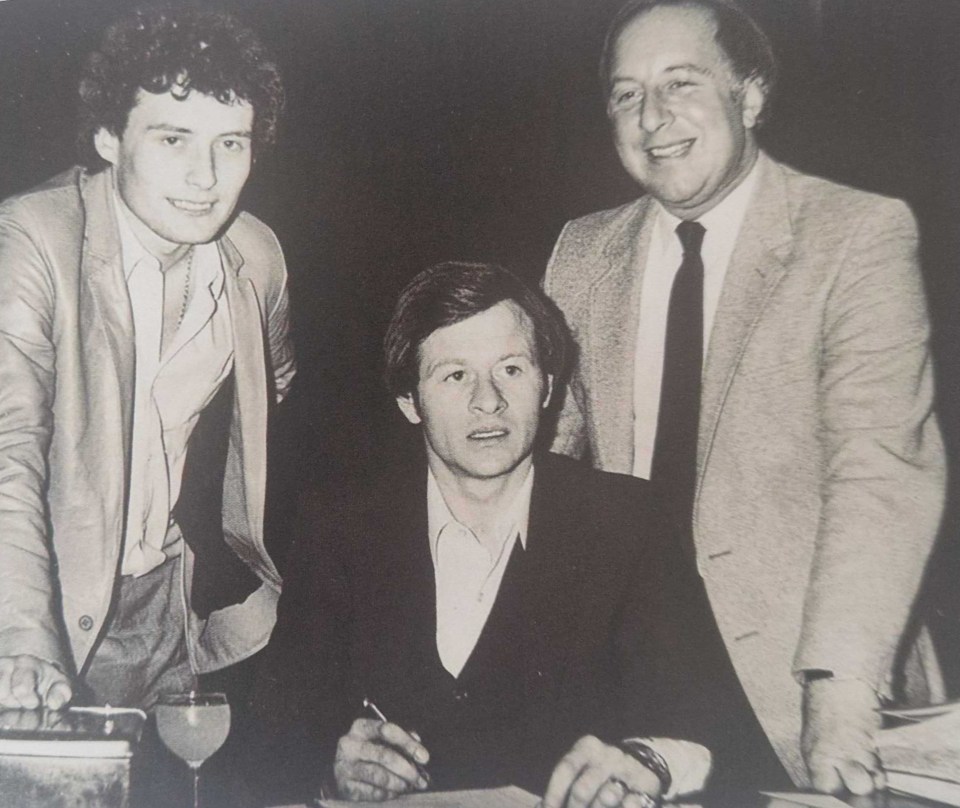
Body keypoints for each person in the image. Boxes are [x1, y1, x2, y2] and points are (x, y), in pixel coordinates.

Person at [543, 0, 946, 795]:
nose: (653, 118)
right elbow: (546, 477)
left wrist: (839, 691)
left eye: (681, 84)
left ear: (751, 96)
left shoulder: (856, 234)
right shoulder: (580, 251)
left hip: (803, 684)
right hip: (629, 686)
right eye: (627, 95)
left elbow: (880, 472)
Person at [249, 261, 759, 807]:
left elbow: (718, 734)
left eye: (511, 370)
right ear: (408, 402)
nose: (487, 401)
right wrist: (331, 773)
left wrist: (649, 760)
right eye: (455, 375)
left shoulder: (626, 521)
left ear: (547, 387)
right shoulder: (342, 526)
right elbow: (272, 741)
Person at [0, 7, 294, 713]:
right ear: (109, 137)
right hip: (33, 599)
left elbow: (277, 389)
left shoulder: (256, 257)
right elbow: (8, 449)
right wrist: (21, 638)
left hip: (164, 608)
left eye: (232, 143)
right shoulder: (30, 240)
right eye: (173, 138)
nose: (206, 177)